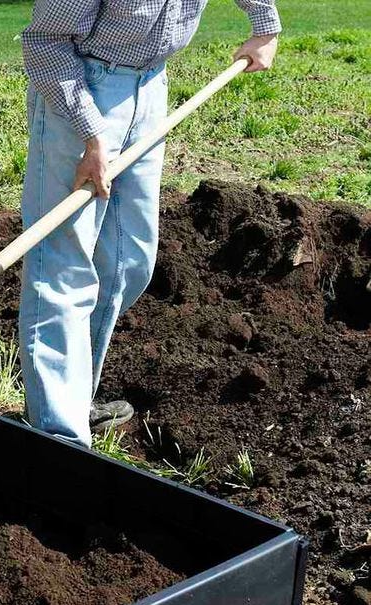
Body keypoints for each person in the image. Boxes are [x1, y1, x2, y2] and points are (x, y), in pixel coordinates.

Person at [20, 0, 279, 447]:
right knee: (63, 264)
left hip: (150, 87)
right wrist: (92, 133)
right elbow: (45, 41)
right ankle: (58, 433)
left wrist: (265, 26)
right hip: (82, 93)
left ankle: (72, 399)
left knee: (129, 260)